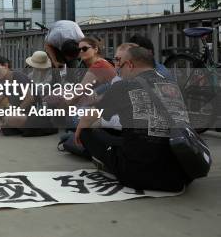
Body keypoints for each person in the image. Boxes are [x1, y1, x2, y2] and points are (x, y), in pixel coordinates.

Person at [75, 46, 192, 192]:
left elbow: (89, 117)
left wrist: (79, 131)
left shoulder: (123, 85)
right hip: (177, 175)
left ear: (130, 65)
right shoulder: (172, 85)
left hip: (137, 172)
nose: (118, 70)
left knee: (87, 131)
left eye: (120, 65)